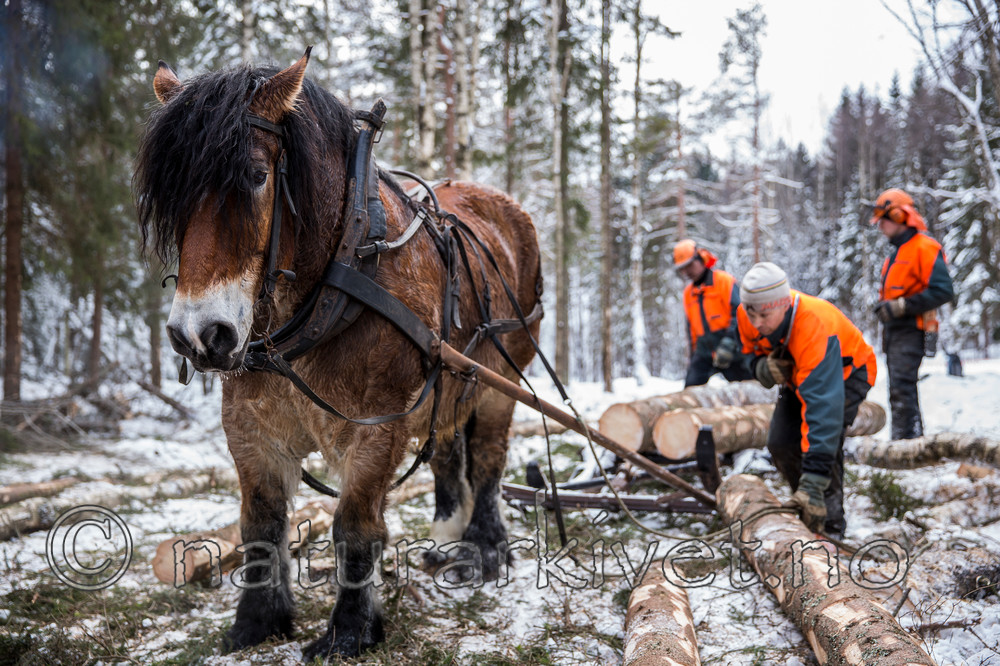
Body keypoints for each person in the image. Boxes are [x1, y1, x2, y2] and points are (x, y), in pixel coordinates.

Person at [737, 262, 876, 538]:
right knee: (780, 442)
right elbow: (745, 351)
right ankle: (807, 502)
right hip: (799, 375)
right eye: (752, 315)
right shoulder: (748, 313)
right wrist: (760, 368)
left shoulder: (815, 325)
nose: (757, 323)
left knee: (827, 439)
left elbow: (822, 416)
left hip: (848, 374)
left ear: (785, 304)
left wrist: (813, 482)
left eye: (764, 315)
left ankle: (830, 523)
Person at [870, 188, 955, 440]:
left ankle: (906, 446)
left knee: (902, 390)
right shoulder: (896, 253)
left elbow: (943, 290)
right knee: (898, 389)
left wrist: (902, 306)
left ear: (899, 215)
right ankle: (910, 442)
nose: (880, 226)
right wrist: (885, 307)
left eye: (884, 219)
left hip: (912, 330)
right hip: (895, 331)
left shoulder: (924, 247)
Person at [673, 239, 753, 387]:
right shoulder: (688, 294)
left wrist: (730, 342)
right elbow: (691, 329)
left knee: (746, 388)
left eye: (690, 265)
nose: (687, 271)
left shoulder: (723, 281)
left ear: (701, 258)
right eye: (683, 268)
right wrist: (693, 355)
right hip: (704, 350)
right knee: (691, 387)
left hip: (732, 347)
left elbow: (740, 314)